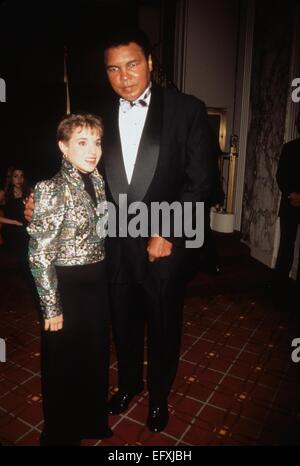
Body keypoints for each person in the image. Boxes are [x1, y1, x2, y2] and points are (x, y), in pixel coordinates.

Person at [100, 29, 214, 432]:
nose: (124, 77)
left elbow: (201, 183)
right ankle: (130, 384)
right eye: (114, 69)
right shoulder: (97, 115)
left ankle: (160, 396)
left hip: (163, 245)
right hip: (114, 245)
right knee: (124, 323)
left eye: (132, 65)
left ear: (149, 62)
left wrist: (167, 232)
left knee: (163, 325)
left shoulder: (188, 110)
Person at [27, 113, 112, 446]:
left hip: (96, 285)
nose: (92, 150)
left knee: (93, 357)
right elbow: (39, 255)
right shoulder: (50, 188)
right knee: (63, 363)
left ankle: (91, 420)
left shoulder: (99, 180)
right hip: (67, 287)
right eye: (82, 142)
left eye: (97, 142)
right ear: (63, 147)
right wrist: (51, 307)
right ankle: (61, 432)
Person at [274, 110, 300, 290]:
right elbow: (281, 175)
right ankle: (280, 284)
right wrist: (292, 194)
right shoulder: (289, 147)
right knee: (286, 246)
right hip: (290, 203)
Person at [0, 167, 31, 267]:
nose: (19, 179)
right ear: (10, 178)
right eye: (15, 176)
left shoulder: (28, 191)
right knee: (22, 260)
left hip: (28, 228)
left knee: (30, 259)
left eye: (21, 176)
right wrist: (14, 222)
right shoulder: (4, 193)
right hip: (12, 230)